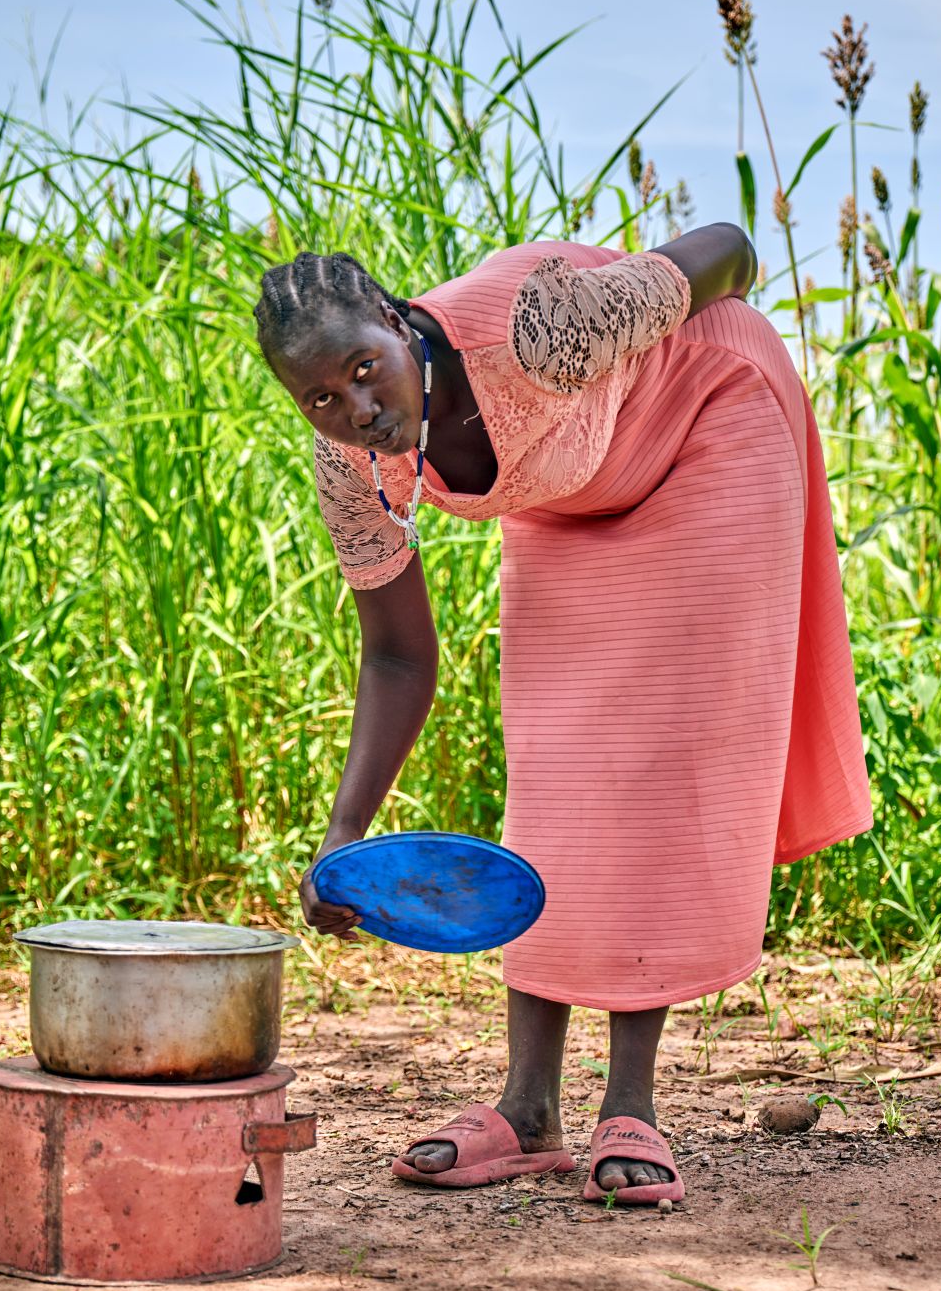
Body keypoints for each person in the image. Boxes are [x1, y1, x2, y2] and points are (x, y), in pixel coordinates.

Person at [253, 227, 873, 1202]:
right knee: (557, 759)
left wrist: (672, 323)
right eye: (321, 397)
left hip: (710, 414)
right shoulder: (352, 464)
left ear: (394, 318)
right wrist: (343, 834)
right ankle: (527, 1107)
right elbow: (399, 654)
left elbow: (728, 246)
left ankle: (631, 1103)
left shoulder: (535, 333)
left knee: (657, 762)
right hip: (579, 472)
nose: (358, 409)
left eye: (364, 371)